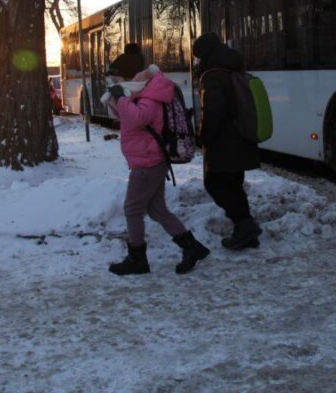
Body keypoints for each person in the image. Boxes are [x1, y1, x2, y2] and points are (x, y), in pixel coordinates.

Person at [106, 65, 210, 276]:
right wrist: (119, 100)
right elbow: (128, 116)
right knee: (157, 210)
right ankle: (192, 247)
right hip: (151, 160)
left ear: (145, 83)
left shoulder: (151, 98)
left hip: (147, 162)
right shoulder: (151, 95)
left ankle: (137, 259)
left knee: (133, 209)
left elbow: (137, 119)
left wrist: (122, 99)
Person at [192, 33, 262, 250]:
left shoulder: (212, 75)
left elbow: (212, 112)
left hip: (224, 142)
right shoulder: (233, 66)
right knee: (233, 184)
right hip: (240, 137)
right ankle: (246, 228)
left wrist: (203, 137)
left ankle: (245, 225)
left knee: (215, 184)